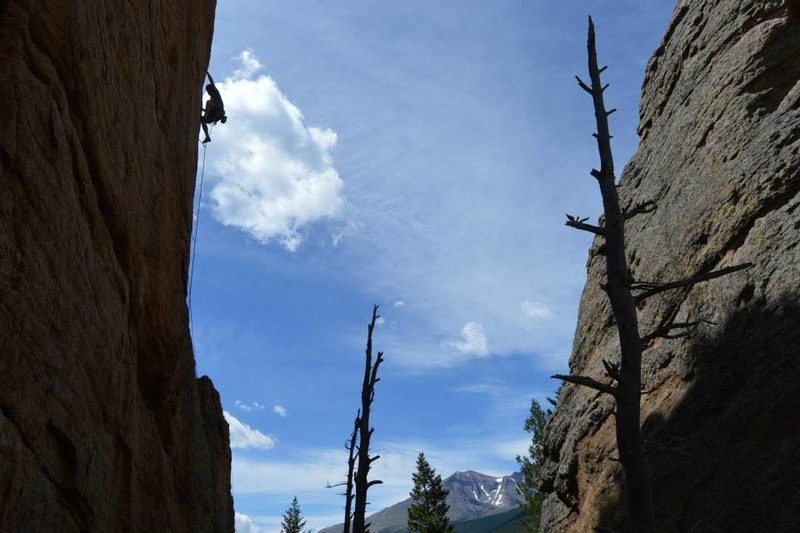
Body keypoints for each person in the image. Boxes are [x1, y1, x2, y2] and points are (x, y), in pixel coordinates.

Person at [201, 71, 226, 143]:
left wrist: (207, 73)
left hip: (218, 110)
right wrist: (202, 110)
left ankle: (205, 118)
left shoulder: (215, 92)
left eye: (208, 91)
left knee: (208, 103)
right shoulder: (212, 98)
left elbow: (212, 82)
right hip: (213, 115)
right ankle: (207, 136)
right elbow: (209, 110)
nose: (208, 92)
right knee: (202, 121)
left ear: (211, 89)